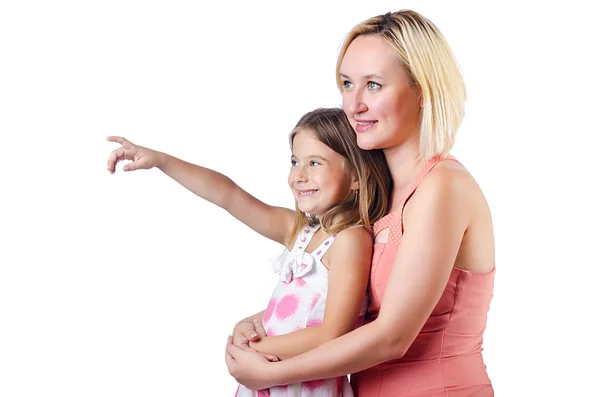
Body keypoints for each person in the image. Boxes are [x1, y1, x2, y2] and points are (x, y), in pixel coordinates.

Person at [226, 9, 496, 396]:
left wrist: (267, 371)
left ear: (422, 90)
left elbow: (392, 338)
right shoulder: (378, 198)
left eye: (374, 85)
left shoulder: (442, 187)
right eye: (347, 84)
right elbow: (347, 310)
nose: (354, 105)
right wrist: (257, 328)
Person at [106, 107, 392, 396]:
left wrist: (256, 349)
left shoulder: (350, 239)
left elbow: (333, 333)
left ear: (356, 176)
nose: (299, 175)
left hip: (304, 385)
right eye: (295, 161)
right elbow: (228, 195)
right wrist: (161, 161)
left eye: (315, 163)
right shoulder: (300, 232)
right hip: (269, 382)